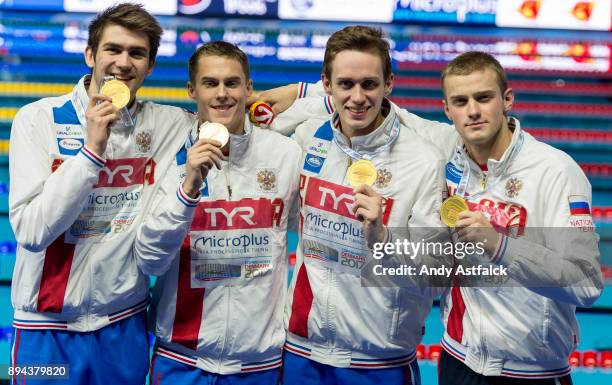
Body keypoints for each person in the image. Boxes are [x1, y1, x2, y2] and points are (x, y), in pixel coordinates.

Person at [258, 51, 603, 384]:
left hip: (533, 372)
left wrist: (500, 246)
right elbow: (372, 99)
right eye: (461, 102)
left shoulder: (555, 171)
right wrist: (304, 92)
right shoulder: (446, 147)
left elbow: (585, 282)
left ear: (507, 99)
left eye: (484, 98)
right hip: (458, 360)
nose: (473, 112)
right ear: (447, 110)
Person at [8, 3, 194, 384]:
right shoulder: (37, 119)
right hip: (44, 331)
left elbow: (232, 107)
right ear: (91, 54)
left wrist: (300, 91)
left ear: (150, 66)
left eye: (137, 53)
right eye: (113, 49)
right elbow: (29, 231)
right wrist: (91, 152)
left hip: (122, 328)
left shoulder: (168, 125)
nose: (124, 63)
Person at [278, 26, 447, 385]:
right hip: (301, 349)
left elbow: (437, 275)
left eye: (369, 84)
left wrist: (383, 237)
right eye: (346, 84)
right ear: (327, 85)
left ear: (389, 85)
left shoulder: (423, 160)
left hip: (378, 359)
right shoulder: (309, 137)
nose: (357, 97)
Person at [135, 41, 301, 385]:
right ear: (192, 91)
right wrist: (188, 190)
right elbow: (150, 260)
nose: (222, 93)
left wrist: (304, 91)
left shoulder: (286, 155)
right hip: (181, 360)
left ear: (249, 88)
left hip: (259, 365)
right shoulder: (169, 156)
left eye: (232, 83)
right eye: (210, 83)